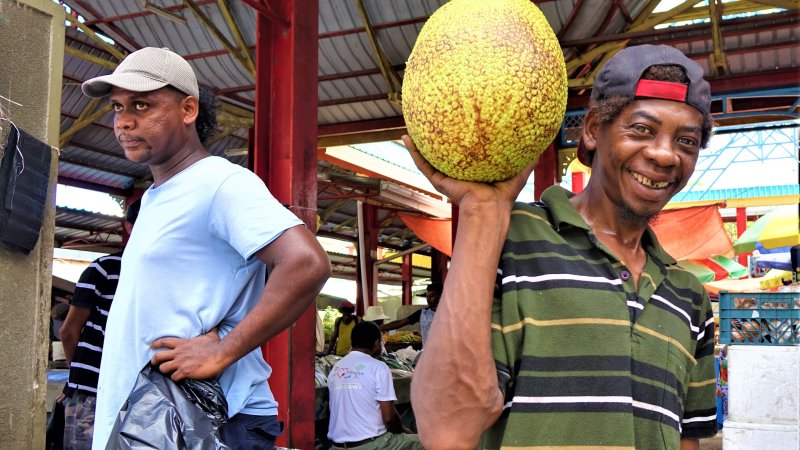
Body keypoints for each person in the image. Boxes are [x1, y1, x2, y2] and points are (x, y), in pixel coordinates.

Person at [407, 44, 718, 449]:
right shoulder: (513, 239)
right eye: (641, 129)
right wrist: (483, 211)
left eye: (687, 141)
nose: (664, 154)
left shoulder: (688, 294)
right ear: (592, 130)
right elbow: (447, 432)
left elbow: (686, 440)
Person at [80, 47, 331, 450]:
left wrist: (222, 351)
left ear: (188, 109)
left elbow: (306, 262)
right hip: (152, 420)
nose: (124, 121)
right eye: (117, 107)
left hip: (207, 421)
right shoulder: (156, 197)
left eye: (142, 105)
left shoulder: (220, 183)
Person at [57, 199, 139, 450]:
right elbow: (69, 331)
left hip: (138, 395)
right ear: (128, 226)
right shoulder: (103, 270)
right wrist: (78, 380)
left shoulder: (166, 274)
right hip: (93, 392)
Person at [327, 321, 423, 450]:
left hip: (336, 446)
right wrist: (405, 432)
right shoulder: (379, 367)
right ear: (377, 342)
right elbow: (389, 418)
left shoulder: (337, 367)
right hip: (371, 445)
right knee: (426, 443)